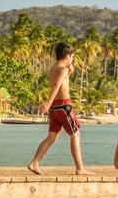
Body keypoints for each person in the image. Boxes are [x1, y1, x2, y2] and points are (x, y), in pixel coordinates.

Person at [28, 42, 93, 176]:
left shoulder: (54, 68)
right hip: (64, 106)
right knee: (75, 134)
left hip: (55, 108)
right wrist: (47, 103)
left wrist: (70, 71)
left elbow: (62, 81)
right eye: (72, 56)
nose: (73, 59)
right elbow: (57, 86)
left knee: (52, 137)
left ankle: (35, 162)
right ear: (67, 56)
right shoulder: (63, 70)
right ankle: (80, 168)